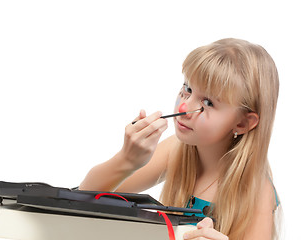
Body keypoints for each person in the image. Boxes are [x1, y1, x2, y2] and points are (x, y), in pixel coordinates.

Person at [79, 38, 280, 240]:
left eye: (208, 102)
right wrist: (126, 160)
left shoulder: (258, 192)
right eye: (188, 89)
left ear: (242, 124)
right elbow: (83, 200)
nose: (183, 109)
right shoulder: (176, 150)